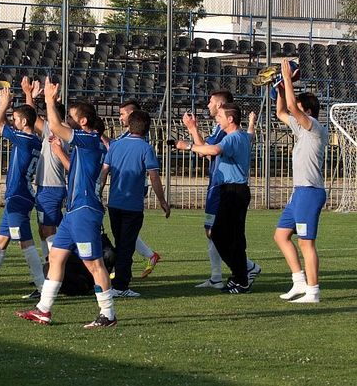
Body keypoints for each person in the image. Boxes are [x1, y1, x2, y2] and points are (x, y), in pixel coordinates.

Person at [16, 78, 117, 328]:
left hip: (84, 211)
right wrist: (60, 152)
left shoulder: (90, 139)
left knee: (94, 264)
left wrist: (49, 101)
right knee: (56, 258)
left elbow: (55, 126)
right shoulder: (85, 143)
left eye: (72, 116)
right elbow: (74, 169)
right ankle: (43, 309)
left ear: (83, 122)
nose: (68, 120)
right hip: (73, 213)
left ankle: (108, 314)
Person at [180, 90, 261, 289]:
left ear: (221, 107)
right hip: (226, 187)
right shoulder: (232, 132)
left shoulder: (226, 133)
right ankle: (235, 273)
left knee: (218, 233)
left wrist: (190, 137)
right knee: (223, 234)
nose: (208, 106)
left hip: (228, 188)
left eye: (211, 102)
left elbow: (209, 152)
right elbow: (248, 137)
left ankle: (240, 272)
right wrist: (252, 123)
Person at [0, 88, 44, 295]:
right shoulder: (36, 141)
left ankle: (42, 286)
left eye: (15, 119)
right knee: (0, 242)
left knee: (25, 242)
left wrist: (2, 106)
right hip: (20, 195)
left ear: (24, 123)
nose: (12, 122)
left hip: (18, 196)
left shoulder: (23, 139)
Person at [100, 110, 170, 297]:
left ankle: (115, 280)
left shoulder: (115, 146)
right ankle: (121, 286)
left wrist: (98, 194)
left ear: (129, 126)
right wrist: (162, 200)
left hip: (114, 203)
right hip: (132, 206)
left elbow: (104, 172)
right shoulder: (145, 149)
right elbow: (154, 177)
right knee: (126, 246)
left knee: (121, 243)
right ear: (147, 129)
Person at [274, 59, 327, 303]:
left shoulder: (314, 126)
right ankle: (299, 282)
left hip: (310, 192)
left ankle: (313, 292)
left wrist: (287, 78)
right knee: (281, 236)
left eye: (299, 106)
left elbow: (293, 110)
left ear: (307, 110)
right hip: (299, 193)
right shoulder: (301, 127)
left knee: (307, 244)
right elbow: (282, 112)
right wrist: (281, 91)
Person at [21, 76, 68, 298]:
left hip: (50, 188)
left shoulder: (58, 128)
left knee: (49, 233)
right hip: (47, 187)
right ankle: (50, 275)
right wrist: (31, 95)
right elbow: (33, 119)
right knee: (46, 231)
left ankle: (51, 279)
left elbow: (32, 120)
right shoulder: (58, 128)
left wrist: (31, 96)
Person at [106, 100, 163, 278]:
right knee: (125, 240)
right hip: (128, 200)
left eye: (123, 114)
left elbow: (107, 165)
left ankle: (121, 277)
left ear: (132, 116)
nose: (120, 117)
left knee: (125, 240)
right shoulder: (135, 142)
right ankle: (138, 262)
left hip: (125, 195)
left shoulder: (133, 142)